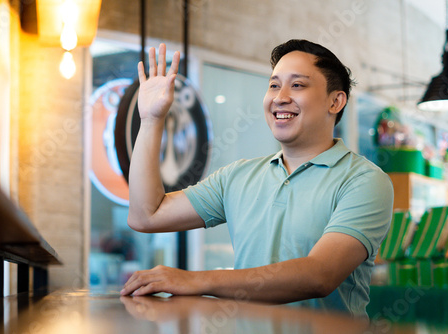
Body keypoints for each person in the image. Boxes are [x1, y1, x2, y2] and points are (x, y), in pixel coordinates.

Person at [120, 40, 394, 317]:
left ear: (335, 101)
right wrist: (152, 120)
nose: (280, 97)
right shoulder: (238, 175)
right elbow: (146, 216)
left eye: (297, 85)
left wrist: (192, 280)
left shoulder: (365, 181)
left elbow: (319, 275)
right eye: (274, 85)